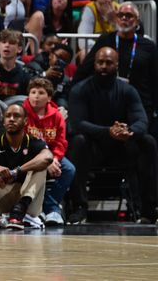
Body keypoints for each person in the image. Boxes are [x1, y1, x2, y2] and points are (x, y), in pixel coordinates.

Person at [66, 47, 158, 224]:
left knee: (148, 141)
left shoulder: (128, 90)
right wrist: (108, 131)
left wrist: (129, 132)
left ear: (117, 65)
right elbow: (78, 124)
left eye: (108, 63)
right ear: (94, 64)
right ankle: (79, 208)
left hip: (122, 147)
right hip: (93, 149)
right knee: (78, 141)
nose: (103, 66)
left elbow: (142, 121)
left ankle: (149, 209)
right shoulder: (80, 89)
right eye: (100, 62)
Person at [74, 2, 158, 135]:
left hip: (140, 107)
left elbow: (154, 80)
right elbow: (85, 69)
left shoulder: (148, 46)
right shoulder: (105, 40)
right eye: (120, 15)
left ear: (137, 21)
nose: (124, 18)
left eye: (129, 16)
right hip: (109, 105)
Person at [23, 78, 75, 226]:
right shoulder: (22, 113)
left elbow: (60, 142)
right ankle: (48, 209)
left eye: (41, 93)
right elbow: (24, 142)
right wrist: (46, 161)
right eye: (33, 92)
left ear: (49, 97)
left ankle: (49, 207)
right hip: (29, 155)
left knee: (69, 169)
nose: (36, 96)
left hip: (51, 156)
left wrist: (56, 158)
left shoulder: (57, 115)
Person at [0, 29, 32, 99]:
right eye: (4, 42)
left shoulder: (24, 75)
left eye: (11, 43)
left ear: (19, 49)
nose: (7, 45)